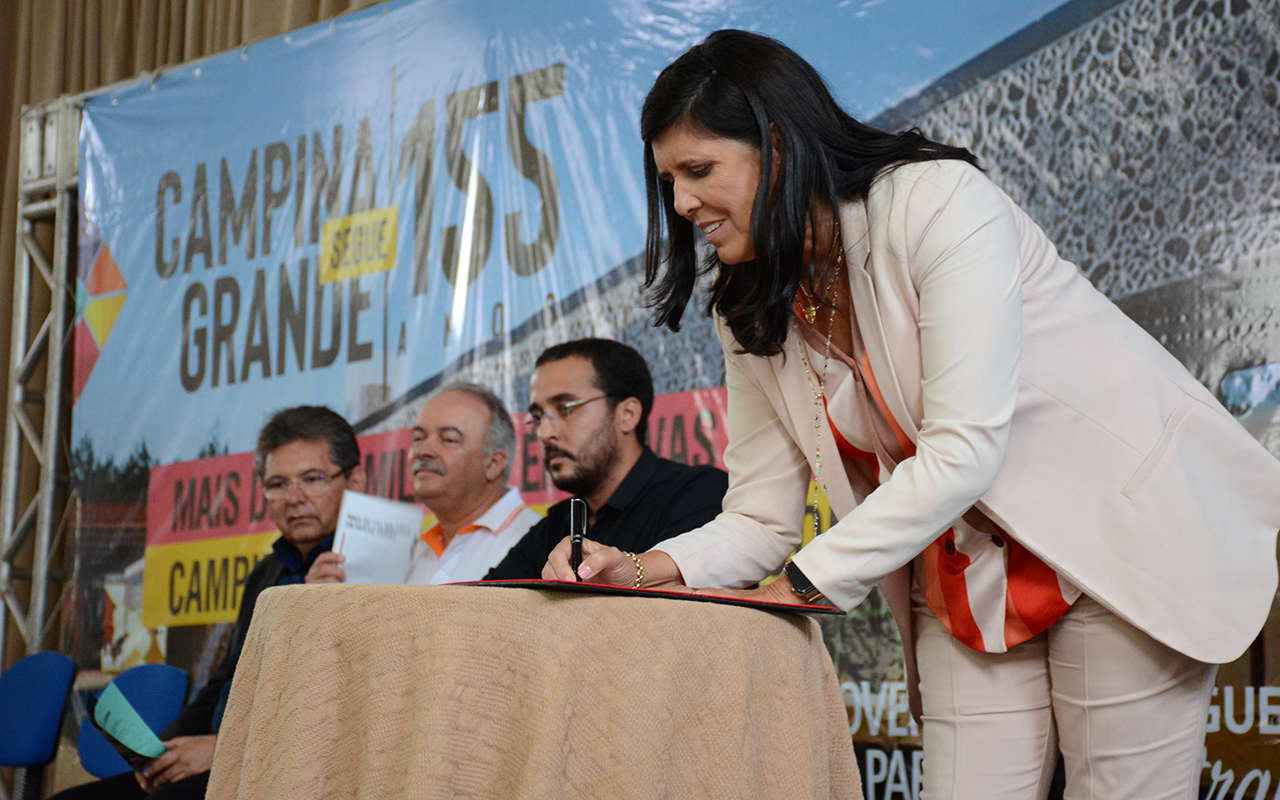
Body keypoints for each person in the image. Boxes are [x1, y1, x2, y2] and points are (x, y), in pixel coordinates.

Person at [545, 30, 1280, 800]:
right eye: (668, 179)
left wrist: (797, 589)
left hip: (1117, 536)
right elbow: (761, 518)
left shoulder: (935, 202)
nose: (681, 202)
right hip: (967, 579)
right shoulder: (748, 309)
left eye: (699, 170)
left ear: (781, 147)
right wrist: (633, 568)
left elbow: (963, 448)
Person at [53, 406, 366, 800]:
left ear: (355, 480)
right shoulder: (267, 572)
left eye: (312, 479)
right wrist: (167, 749)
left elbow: (333, 708)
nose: (295, 498)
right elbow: (224, 681)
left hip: (286, 768)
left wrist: (222, 750)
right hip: (224, 752)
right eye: (277, 484)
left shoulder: (369, 574)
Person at [485, 338, 727, 580]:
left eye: (565, 408)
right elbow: (485, 603)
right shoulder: (559, 522)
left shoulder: (700, 495)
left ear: (627, 414)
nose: (545, 433)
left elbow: (686, 610)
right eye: (538, 416)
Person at [307, 383, 539, 585]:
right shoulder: (414, 553)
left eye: (448, 439)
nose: (423, 451)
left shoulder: (537, 541)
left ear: (494, 463)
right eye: (418, 438)